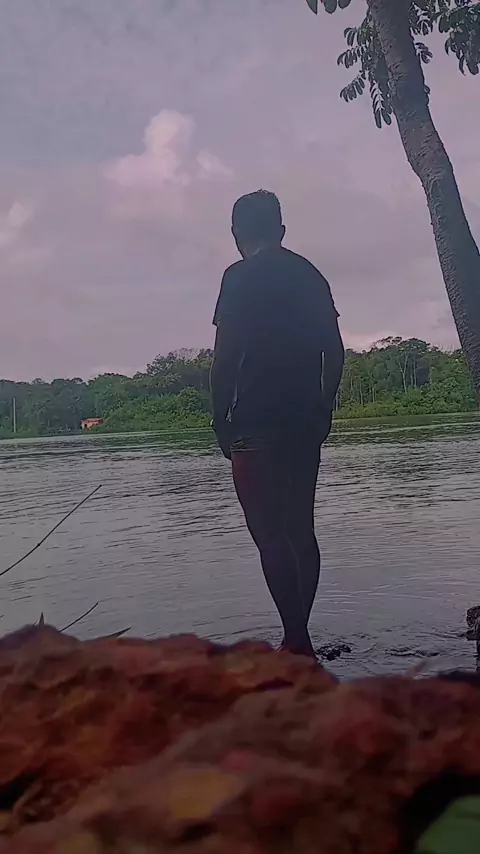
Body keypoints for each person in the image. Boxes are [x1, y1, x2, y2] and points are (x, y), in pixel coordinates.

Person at [210, 190, 344, 658]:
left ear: (235, 234)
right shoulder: (309, 274)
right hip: (304, 419)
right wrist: (324, 406)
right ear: (282, 230)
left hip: (255, 419)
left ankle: (296, 640)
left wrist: (219, 418)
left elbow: (225, 356)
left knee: (269, 535)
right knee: (300, 530)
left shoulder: (238, 277)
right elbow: (334, 349)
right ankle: (298, 636)